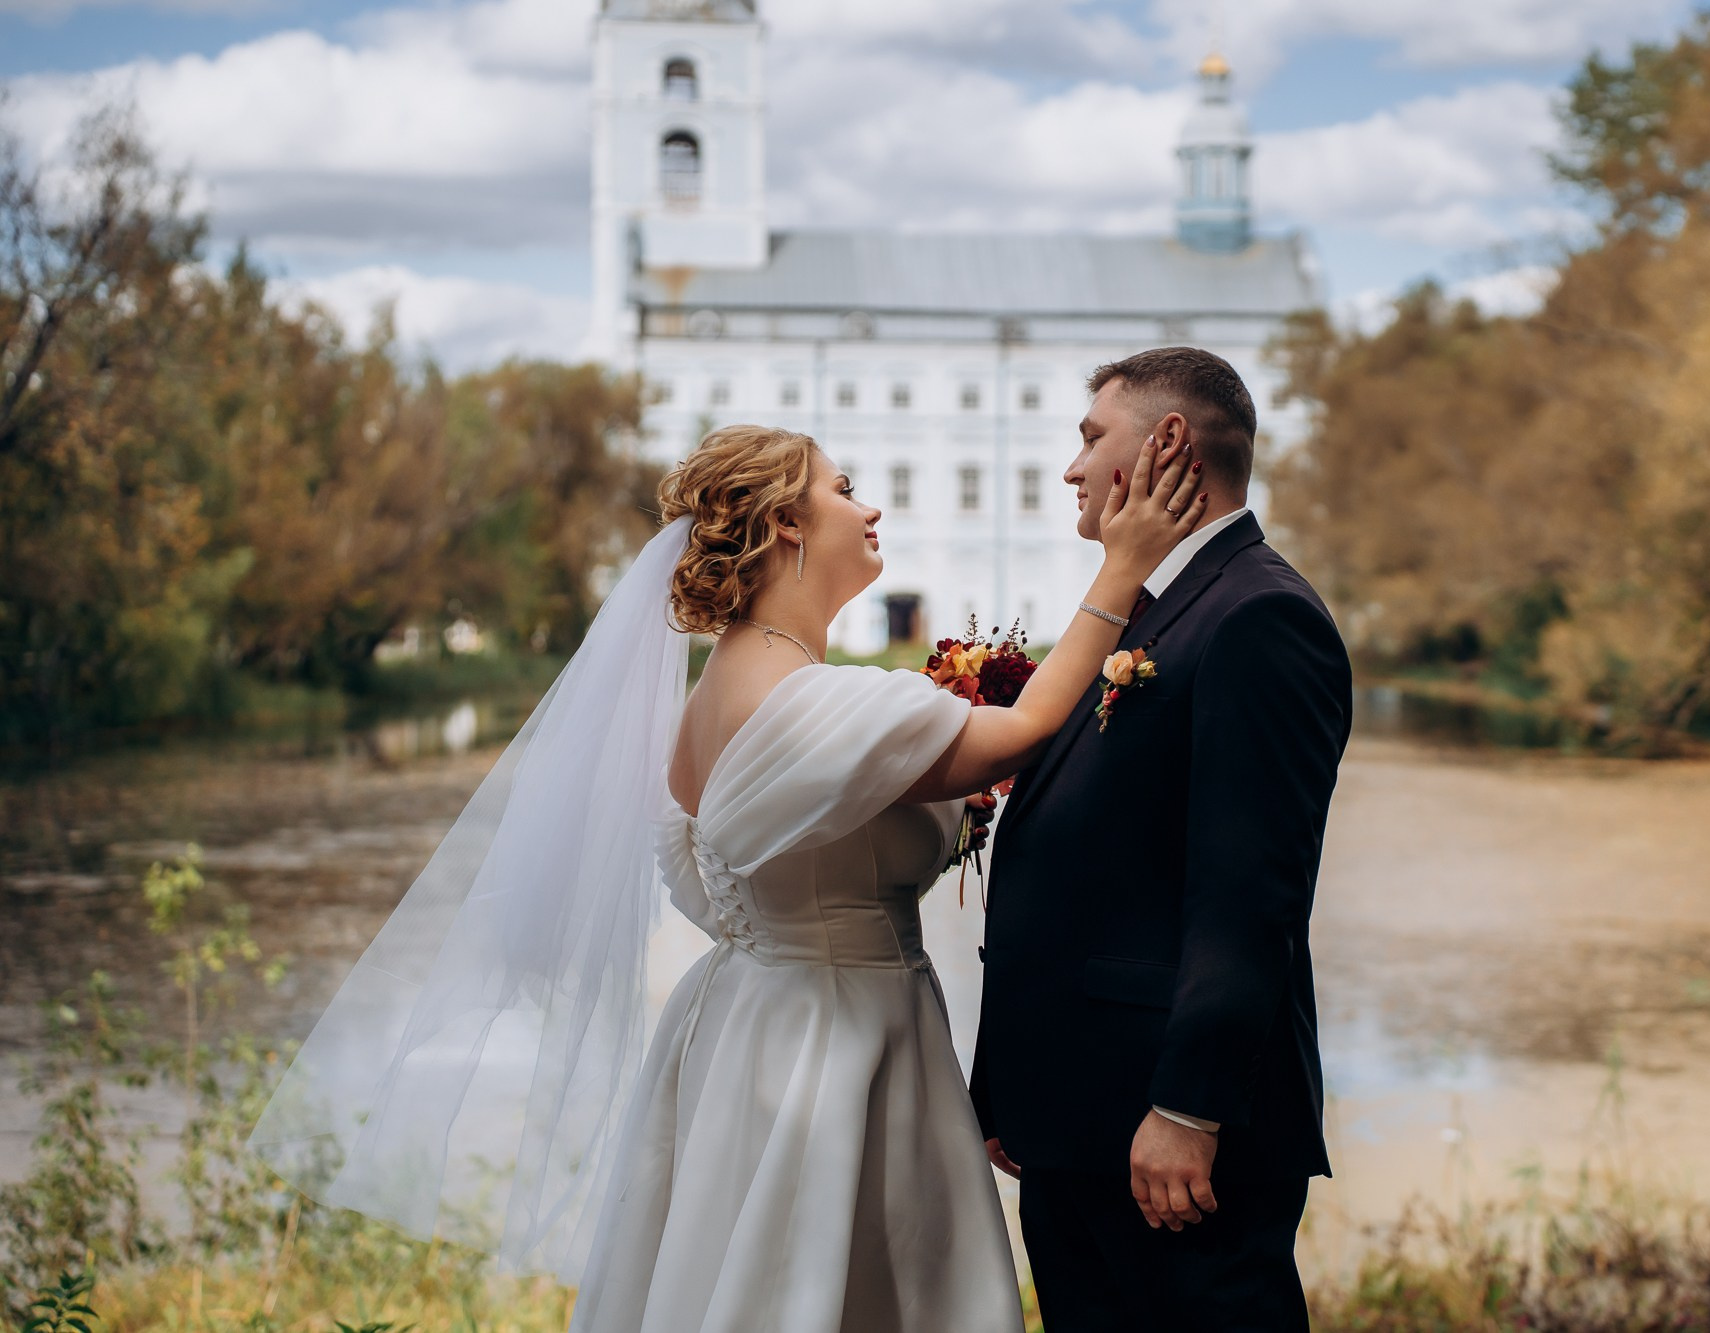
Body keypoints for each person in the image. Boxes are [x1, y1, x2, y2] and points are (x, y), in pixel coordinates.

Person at [249, 421, 1206, 1332]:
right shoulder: (813, 702)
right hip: (836, 1046)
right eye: (844, 489)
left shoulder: (713, 700)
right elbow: (1028, 730)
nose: (869, 509)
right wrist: (1122, 568)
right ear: (786, 523)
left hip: (742, 1027)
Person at [972, 347, 1353, 1332]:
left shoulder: (1256, 615)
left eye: (1090, 437)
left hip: (1169, 1136)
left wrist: (1188, 1109)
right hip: (1085, 1117)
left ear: (1168, 442)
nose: (1071, 468)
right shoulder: (1157, 609)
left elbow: (1248, 889)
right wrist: (1023, 1086)